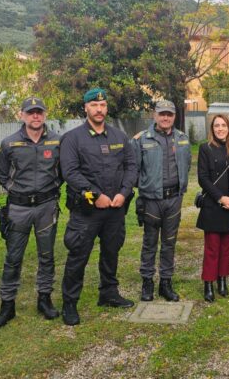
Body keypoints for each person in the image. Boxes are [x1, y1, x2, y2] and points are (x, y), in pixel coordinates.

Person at [59, 88, 138, 326]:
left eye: (102, 105)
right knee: (78, 255)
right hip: (87, 210)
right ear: (85, 108)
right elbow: (70, 173)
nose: (99, 109)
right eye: (94, 105)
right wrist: (95, 196)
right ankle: (70, 303)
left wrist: (124, 193)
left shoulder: (119, 136)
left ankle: (109, 293)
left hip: (114, 209)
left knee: (111, 251)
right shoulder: (73, 138)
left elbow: (131, 165)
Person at [0, 97, 62, 328]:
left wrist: (50, 188)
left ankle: (44, 299)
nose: (35, 116)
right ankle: (7, 305)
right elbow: (2, 174)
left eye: (39, 112)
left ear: (45, 114)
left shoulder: (56, 142)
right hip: (19, 208)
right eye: (31, 112)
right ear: (21, 114)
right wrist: (16, 190)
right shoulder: (9, 143)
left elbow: (62, 171)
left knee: (47, 256)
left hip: (46, 206)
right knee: (13, 259)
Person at [132, 100, 192, 302]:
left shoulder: (182, 138)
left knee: (169, 243)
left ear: (174, 116)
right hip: (151, 200)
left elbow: (187, 166)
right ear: (154, 115)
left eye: (169, 114)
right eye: (162, 114)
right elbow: (134, 170)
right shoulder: (142, 139)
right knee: (149, 242)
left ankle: (165, 282)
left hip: (174, 198)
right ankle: (147, 282)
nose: (166, 118)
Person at [196, 114, 229, 302]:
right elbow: (203, 178)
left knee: (227, 247)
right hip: (213, 204)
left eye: (223, 125)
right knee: (212, 247)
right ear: (212, 129)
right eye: (217, 126)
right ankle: (208, 282)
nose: (220, 129)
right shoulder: (205, 148)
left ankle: (222, 280)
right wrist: (221, 198)